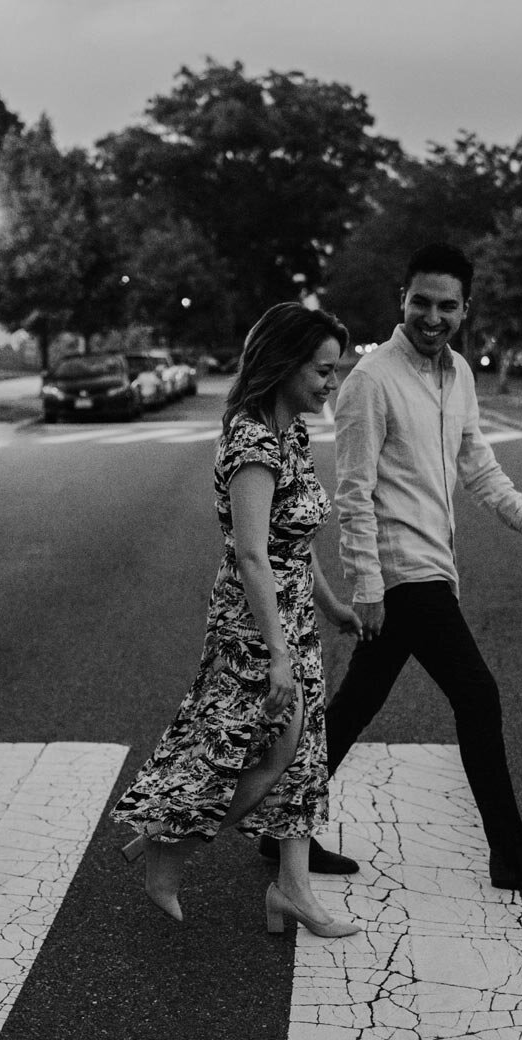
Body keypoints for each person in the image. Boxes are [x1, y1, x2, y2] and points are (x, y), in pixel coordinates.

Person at [260, 242, 522, 890]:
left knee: (357, 702)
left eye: (447, 305)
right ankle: (512, 851)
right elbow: (353, 489)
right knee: (478, 694)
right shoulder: (371, 380)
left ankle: (281, 827)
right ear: (402, 301)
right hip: (402, 571)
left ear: (466, 309)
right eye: (421, 302)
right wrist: (366, 584)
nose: (432, 317)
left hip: (433, 563)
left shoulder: (460, 375)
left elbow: (477, 464)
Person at [111, 302, 363, 938]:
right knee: (255, 751)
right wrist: (279, 652)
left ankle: (292, 892)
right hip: (254, 623)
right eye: (324, 371)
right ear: (284, 365)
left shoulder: (292, 434)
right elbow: (252, 554)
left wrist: (331, 608)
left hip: (293, 614)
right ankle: (168, 849)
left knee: (302, 756)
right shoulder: (253, 441)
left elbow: (292, 542)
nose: (333, 383)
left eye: (337, 370)